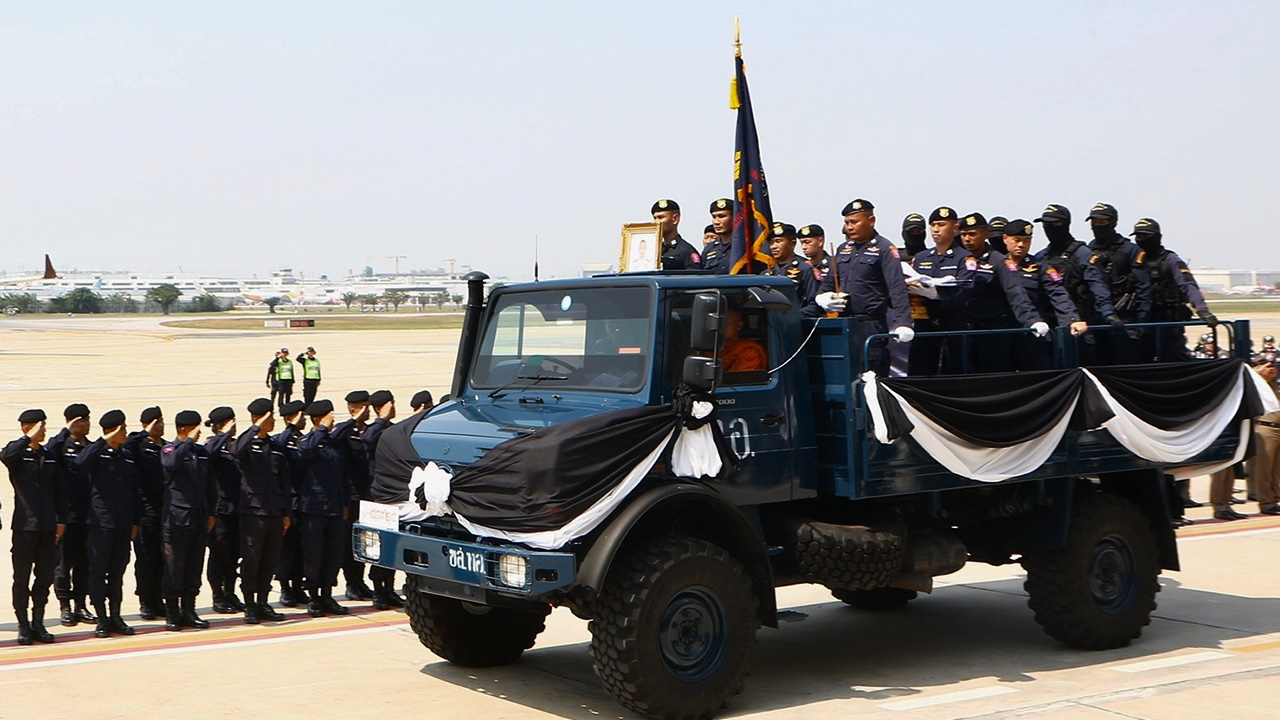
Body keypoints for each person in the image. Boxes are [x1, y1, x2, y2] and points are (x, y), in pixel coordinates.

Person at [815, 198, 914, 375]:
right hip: (845, 322)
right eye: (846, 223)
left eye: (854, 222)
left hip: (871, 323)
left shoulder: (884, 249)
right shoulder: (843, 249)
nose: (849, 227)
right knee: (847, 376)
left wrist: (903, 322)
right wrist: (823, 298)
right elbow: (830, 281)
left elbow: (896, 287)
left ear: (871, 221)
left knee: (872, 374)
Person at [74, 410, 141, 638]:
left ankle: (115, 615)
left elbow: (135, 491)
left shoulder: (127, 456)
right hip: (101, 524)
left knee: (117, 572)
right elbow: (80, 463)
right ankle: (101, 617)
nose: (125, 432)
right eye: (121, 429)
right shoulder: (96, 453)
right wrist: (103, 440)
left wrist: (135, 521)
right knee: (98, 571)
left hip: (123, 524)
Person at [955, 212, 1047, 373]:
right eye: (964, 235)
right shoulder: (958, 259)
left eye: (972, 234)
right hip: (962, 330)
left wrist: (1032, 320)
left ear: (985, 234)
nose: (967, 239)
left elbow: (1015, 292)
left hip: (991, 332)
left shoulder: (999, 261)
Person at [1033, 203, 1122, 366]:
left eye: (1055, 223)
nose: (1050, 228)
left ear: (1065, 223)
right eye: (1046, 224)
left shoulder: (1083, 254)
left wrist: (1109, 314)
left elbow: (1098, 286)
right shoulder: (1041, 257)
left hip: (1081, 328)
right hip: (1050, 329)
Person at [230, 398, 293, 624]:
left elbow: (285, 483)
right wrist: (255, 428)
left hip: (275, 512)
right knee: (251, 560)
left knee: (270, 560)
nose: (273, 421)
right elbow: (235, 450)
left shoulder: (276, 448)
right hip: (252, 513)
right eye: (270, 417)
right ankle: (250, 605)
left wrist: (287, 513)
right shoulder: (247, 445)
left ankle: (264, 602)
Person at [4, 409, 61, 645]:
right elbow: (5, 456)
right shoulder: (18, 453)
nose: (44, 431)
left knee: (44, 577)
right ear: (28, 427)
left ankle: (38, 622)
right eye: (40, 426)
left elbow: (58, 490)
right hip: (25, 526)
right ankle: (23, 624)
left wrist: (61, 520)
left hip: (48, 526)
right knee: (21, 578)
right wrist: (27, 438)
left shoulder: (48, 455)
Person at [1004, 219, 1088, 370]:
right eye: (1016, 240)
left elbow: (1058, 294)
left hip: (1033, 335)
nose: (1021, 245)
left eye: (1026, 240)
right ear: (1005, 239)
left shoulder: (1040, 267)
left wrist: (1072, 319)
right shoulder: (997, 264)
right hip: (1002, 333)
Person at [1131, 218, 1217, 362]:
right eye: (1139, 237)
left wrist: (1202, 310)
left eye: (1146, 236)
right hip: (1140, 324)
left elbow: (1188, 285)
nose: (1142, 240)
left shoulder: (1170, 260)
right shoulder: (1133, 261)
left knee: (1175, 359)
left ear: (1157, 237)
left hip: (1168, 324)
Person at [160, 410, 216, 631]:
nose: (199, 431)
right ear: (184, 428)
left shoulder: (200, 453)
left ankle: (189, 610)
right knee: (174, 567)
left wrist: (211, 513)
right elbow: (171, 463)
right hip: (176, 520)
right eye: (195, 427)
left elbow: (210, 485)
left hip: (198, 518)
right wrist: (188, 441)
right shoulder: (169, 449)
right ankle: (173, 613)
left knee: (194, 566)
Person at [297, 399, 354, 617]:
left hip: (336, 508)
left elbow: (343, 477)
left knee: (333, 554)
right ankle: (314, 597)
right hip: (314, 510)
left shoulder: (333, 444)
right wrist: (321, 428)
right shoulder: (308, 441)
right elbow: (306, 451)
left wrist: (345, 505)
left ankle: (327, 594)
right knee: (314, 555)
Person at [1211, 356, 1280, 519]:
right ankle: (1263, 502)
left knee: (1275, 469)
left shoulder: (1274, 386)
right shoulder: (1251, 382)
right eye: (1264, 365)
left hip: (1275, 428)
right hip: (1263, 428)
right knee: (1260, 468)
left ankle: (1273, 499)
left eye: (1273, 365)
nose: (1270, 368)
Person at [1086, 203, 1153, 364]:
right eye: (1094, 222)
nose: (1098, 226)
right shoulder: (1088, 250)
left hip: (1125, 320)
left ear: (1113, 222)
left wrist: (1143, 320)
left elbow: (1143, 287)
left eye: (1102, 222)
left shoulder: (1130, 250)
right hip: (1096, 319)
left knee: (1126, 365)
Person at [907, 206, 971, 375]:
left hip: (953, 326)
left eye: (941, 224)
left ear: (955, 227)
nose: (936, 229)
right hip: (924, 324)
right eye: (933, 225)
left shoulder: (964, 258)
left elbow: (965, 290)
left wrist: (936, 295)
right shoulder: (921, 258)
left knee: (954, 374)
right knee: (919, 374)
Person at [47, 403, 94, 627]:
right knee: (63, 564)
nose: (87, 424)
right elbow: (50, 449)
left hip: (89, 516)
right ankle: (65, 605)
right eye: (82, 420)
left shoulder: (92, 447)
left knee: (84, 563)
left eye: (88, 419)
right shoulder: (60, 446)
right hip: (67, 516)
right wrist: (66, 430)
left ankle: (80, 605)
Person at [123, 406, 165, 621]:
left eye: (161, 421)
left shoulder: (166, 447)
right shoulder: (139, 446)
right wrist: (143, 432)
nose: (161, 425)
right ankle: (146, 600)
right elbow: (126, 445)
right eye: (156, 422)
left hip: (165, 510)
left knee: (163, 558)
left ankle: (159, 599)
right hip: (145, 510)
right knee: (146, 558)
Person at [363, 390, 404, 610]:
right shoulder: (372, 430)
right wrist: (381, 419)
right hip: (376, 497)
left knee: (392, 545)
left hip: (393, 496)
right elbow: (367, 442)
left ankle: (389, 588)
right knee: (377, 545)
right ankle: (378, 590)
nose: (394, 407)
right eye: (390, 404)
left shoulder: (392, 429)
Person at [337, 390, 375, 601]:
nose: (368, 411)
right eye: (364, 407)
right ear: (354, 409)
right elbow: (334, 435)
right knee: (349, 543)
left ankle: (360, 581)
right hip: (350, 497)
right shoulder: (345, 432)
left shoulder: (368, 431)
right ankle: (351, 583)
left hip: (367, 494)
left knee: (365, 541)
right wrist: (352, 420)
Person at [204, 406, 242, 613]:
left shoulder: (235, 445)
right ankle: (217, 595)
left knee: (234, 554)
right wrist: (223, 434)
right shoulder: (212, 444)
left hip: (238, 507)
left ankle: (230, 592)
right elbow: (208, 454)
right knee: (219, 554)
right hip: (220, 510)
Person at [271, 399, 308, 607]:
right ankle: (285, 588)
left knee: (301, 549)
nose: (304, 419)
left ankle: (297, 586)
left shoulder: (305, 440)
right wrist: (290, 427)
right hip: (288, 504)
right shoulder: (281, 440)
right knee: (286, 550)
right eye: (300, 416)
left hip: (305, 503)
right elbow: (280, 445)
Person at [766, 222, 821, 317]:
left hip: (796, 324)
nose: (773, 246)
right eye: (771, 242)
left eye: (778, 241)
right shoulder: (767, 272)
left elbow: (814, 304)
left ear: (793, 243)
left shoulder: (806, 269)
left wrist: (793, 317)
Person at [651, 199, 702, 270]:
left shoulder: (686, 250)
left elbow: (693, 278)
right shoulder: (654, 250)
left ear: (675, 219)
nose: (656, 222)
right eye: (655, 218)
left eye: (661, 217)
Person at [721, 308, 767, 372]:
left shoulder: (749, 352)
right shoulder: (707, 349)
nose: (720, 327)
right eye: (717, 323)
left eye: (726, 323)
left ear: (739, 326)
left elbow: (743, 380)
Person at [703, 198, 733, 274]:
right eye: (714, 217)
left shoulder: (746, 248)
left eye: (722, 216)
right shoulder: (709, 249)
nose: (716, 222)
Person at [267, 348, 295, 413]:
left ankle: (288, 406)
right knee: (281, 394)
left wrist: (293, 380)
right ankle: (281, 406)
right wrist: (277, 358)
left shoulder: (289, 361)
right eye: (283, 353)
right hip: (281, 380)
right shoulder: (278, 362)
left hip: (289, 380)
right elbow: (272, 364)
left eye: (286, 353)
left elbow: (291, 371)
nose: (284, 354)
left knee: (288, 394)